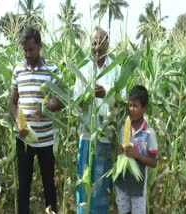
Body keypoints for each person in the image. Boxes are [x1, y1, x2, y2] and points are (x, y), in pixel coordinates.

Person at [11, 26, 63, 214]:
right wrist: (19, 123)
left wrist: (46, 108)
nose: (27, 53)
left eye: (31, 49)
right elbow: (13, 103)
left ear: (39, 46)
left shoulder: (52, 69)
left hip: (46, 139)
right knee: (23, 185)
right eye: (24, 50)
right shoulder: (18, 70)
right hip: (24, 138)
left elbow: (61, 102)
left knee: (49, 184)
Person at [74, 27, 123, 214]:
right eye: (94, 43)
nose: (96, 47)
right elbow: (76, 105)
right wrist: (84, 100)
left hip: (106, 137)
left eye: (100, 43)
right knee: (84, 182)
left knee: (102, 185)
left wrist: (106, 94)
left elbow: (123, 102)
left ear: (108, 44)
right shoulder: (83, 70)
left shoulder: (117, 70)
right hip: (86, 136)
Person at [116, 85, 158, 214]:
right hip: (122, 182)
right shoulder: (124, 127)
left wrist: (137, 155)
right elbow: (121, 149)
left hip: (138, 187)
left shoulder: (149, 132)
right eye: (130, 105)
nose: (131, 109)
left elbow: (154, 162)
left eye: (135, 106)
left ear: (144, 107)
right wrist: (120, 150)